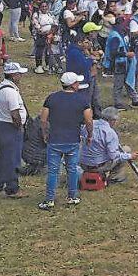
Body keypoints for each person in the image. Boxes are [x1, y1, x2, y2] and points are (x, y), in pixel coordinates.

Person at [39, 72, 94, 210]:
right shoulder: (82, 100)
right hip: (73, 140)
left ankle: (49, 199)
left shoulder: (51, 98)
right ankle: (72, 196)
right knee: (72, 169)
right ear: (73, 85)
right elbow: (88, 120)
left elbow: (43, 119)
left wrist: (45, 133)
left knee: (53, 171)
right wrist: (90, 134)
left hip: (55, 140)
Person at [0, 62, 28, 198]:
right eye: (19, 74)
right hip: (10, 127)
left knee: (2, 156)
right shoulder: (10, 92)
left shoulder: (1, 88)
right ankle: (12, 188)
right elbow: (15, 114)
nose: (21, 76)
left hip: (1, 125)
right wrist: (20, 127)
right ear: (13, 75)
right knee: (12, 159)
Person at [80, 106, 137, 184]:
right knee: (126, 149)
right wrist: (129, 156)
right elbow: (113, 156)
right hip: (99, 166)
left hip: (83, 164)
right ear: (112, 120)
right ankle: (115, 178)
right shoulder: (110, 132)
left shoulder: (88, 126)